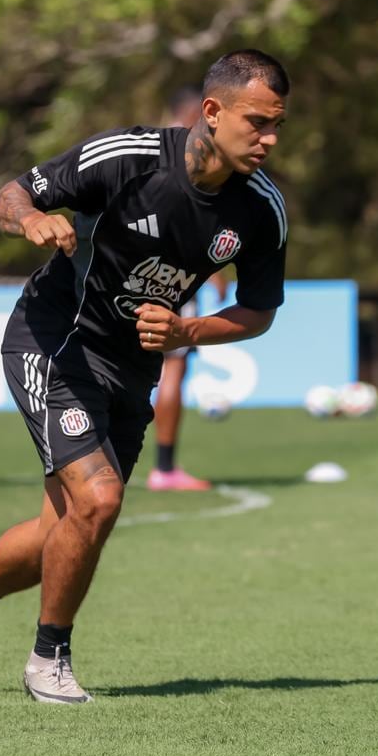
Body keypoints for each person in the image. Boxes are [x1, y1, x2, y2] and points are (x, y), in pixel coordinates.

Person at [0, 49, 290, 704]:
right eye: (257, 121)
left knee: (65, 529)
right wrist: (30, 218)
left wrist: (187, 331)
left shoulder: (260, 209)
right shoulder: (128, 157)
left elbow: (259, 311)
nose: (270, 138)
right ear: (212, 111)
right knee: (100, 500)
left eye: (278, 124)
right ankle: (48, 659)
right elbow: (10, 194)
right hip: (54, 342)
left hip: (131, 370)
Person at [149, 86, 228, 491]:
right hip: (170, 285)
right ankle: (164, 469)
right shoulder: (193, 163)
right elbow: (198, 228)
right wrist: (213, 271)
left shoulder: (144, 154)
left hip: (123, 282)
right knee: (172, 370)